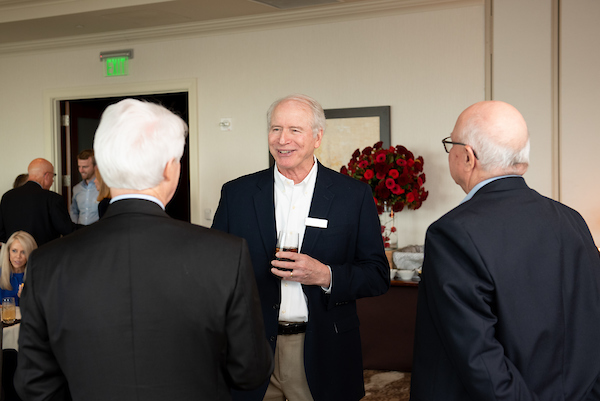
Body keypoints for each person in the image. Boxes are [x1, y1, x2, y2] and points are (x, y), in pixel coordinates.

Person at [15, 98, 273, 401]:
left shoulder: (46, 262)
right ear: (170, 169)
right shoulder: (225, 254)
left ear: (105, 170)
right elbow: (250, 371)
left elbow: (34, 383)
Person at [410, 100, 600, 400]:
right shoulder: (571, 219)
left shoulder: (452, 233)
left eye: (452, 144)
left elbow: (479, 360)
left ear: (468, 157)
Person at [212, 94, 390, 401]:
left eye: (295, 130)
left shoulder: (353, 196)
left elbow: (376, 275)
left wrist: (325, 275)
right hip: (251, 346)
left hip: (322, 346)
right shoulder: (236, 194)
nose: (283, 139)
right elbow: (215, 270)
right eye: (275, 128)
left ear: (317, 137)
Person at [0, 158, 73, 246]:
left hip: (15, 256)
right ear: (46, 176)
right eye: (53, 176)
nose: (53, 180)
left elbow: (1, 233)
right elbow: (68, 230)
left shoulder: (7, 197)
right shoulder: (53, 198)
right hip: (43, 255)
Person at [0, 230, 37, 306]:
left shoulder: (37, 276)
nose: (18, 256)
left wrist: (26, 298)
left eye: (23, 252)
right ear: (8, 251)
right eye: (14, 251)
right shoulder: (0, 274)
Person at [70, 149, 100, 225]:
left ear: (95, 167)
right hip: (81, 233)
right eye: (79, 166)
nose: (81, 170)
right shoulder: (76, 189)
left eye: (85, 167)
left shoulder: (103, 188)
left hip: (98, 233)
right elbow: (74, 212)